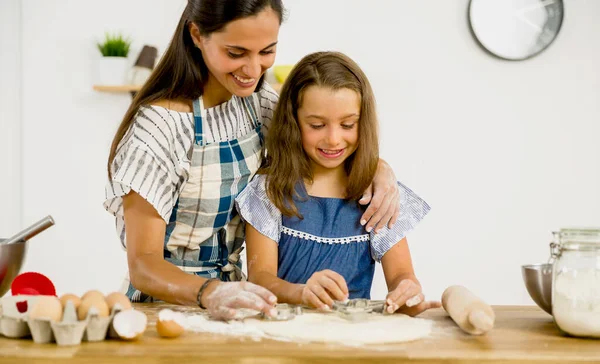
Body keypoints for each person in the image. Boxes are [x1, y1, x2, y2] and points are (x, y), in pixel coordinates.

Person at [103, 0, 402, 321]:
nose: (253, 70)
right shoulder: (161, 127)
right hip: (161, 307)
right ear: (196, 34)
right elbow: (144, 265)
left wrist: (378, 169)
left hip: (237, 299)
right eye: (236, 53)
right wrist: (210, 291)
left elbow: (322, 148)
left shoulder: (259, 103)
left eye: (266, 51)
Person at [236, 51, 440, 316]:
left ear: (362, 122)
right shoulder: (269, 191)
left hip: (353, 341)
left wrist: (408, 291)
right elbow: (260, 278)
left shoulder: (378, 195)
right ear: (293, 121)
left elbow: (402, 276)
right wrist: (301, 293)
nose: (333, 139)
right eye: (317, 125)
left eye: (347, 124)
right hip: (285, 338)